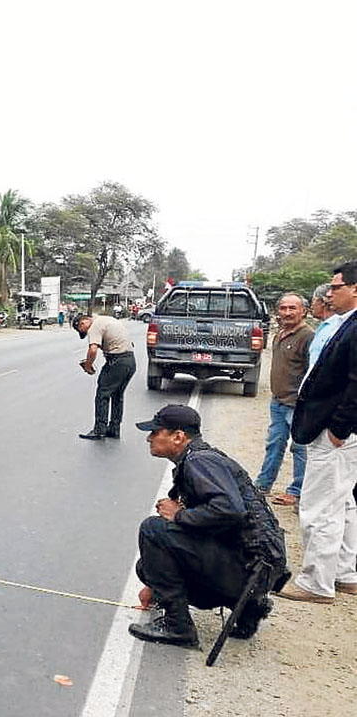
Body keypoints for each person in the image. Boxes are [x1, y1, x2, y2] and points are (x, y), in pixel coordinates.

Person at [128, 405, 287, 648]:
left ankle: (177, 626)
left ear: (178, 436)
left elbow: (230, 510)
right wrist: (154, 583)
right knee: (146, 567)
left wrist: (179, 515)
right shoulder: (202, 458)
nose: (149, 438)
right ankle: (248, 607)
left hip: (249, 568)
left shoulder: (199, 462)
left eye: (156, 432)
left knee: (153, 529)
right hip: (254, 568)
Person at [279, 261, 357, 603]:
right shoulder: (346, 323)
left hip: (334, 431)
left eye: (336, 286)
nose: (330, 292)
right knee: (343, 503)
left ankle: (316, 583)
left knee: (321, 506)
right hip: (332, 428)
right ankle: (344, 573)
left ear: (355, 288)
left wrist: (339, 426)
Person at [254, 293, 313, 505]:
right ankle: (263, 485)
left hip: (297, 406)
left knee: (299, 448)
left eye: (292, 308)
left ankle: (297, 491)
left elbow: (312, 372)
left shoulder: (308, 336)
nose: (287, 313)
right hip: (278, 402)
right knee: (274, 444)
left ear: (303, 311)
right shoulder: (281, 333)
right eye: (283, 308)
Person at [73, 313, 136, 439]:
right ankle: (114, 429)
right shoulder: (106, 319)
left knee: (103, 394)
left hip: (117, 361)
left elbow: (93, 349)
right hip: (130, 361)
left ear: (83, 323)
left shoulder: (94, 326)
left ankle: (99, 430)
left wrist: (88, 365)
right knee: (117, 395)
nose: (86, 334)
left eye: (82, 331)